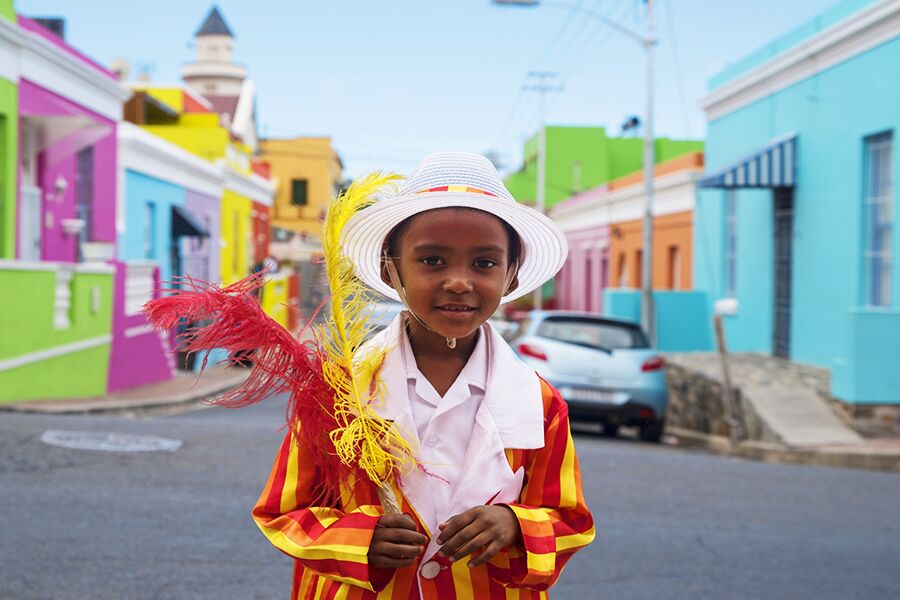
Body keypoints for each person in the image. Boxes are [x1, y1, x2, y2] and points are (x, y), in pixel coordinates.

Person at [253, 152, 595, 599]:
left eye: (485, 264)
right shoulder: (338, 390)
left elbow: (570, 519)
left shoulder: (540, 403)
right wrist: (357, 539)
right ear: (389, 270)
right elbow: (282, 512)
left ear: (512, 276)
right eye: (432, 261)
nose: (458, 282)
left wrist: (516, 524)